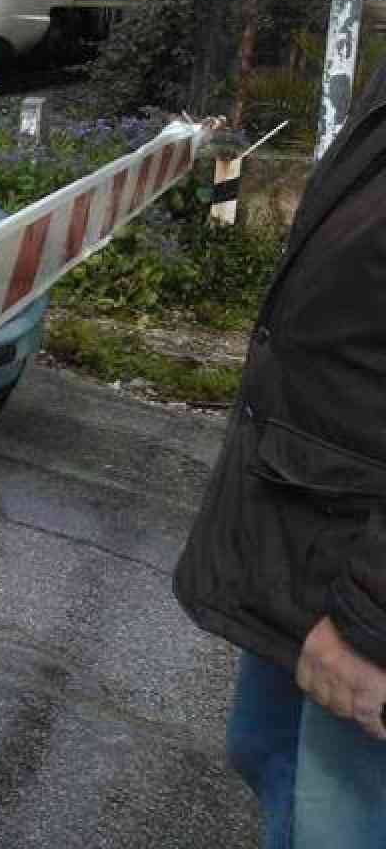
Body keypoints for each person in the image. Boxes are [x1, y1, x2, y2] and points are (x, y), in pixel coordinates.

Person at [175, 63, 386, 847]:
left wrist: (373, 625)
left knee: (342, 819)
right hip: (317, 528)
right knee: (267, 755)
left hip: (361, 584)